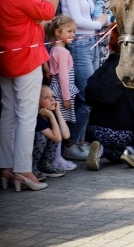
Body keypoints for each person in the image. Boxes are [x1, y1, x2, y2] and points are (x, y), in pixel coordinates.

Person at [0, 0, 69, 192]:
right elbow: (47, 11)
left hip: (2, 59)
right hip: (25, 59)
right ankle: (23, 169)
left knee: (8, 115)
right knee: (24, 116)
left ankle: (6, 168)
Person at [60, 0, 108, 160]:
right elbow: (76, 21)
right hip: (79, 44)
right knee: (86, 95)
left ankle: (79, 141)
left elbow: (95, 15)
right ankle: (71, 143)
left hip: (93, 43)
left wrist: (103, 20)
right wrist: (98, 23)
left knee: (91, 96)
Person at [85, 25, 134, 171]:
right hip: (124, 132)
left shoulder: (102, 69)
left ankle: (101, 149)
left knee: (115, 153)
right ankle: (131, 150)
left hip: (96, 130)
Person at [45, 15, 79, 171]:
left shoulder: (55, 49)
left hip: (56, 89)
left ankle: (55, 158)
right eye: (69, 31)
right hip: (61, 92)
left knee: (58, 124)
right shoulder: (63, 52)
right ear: (58, 33)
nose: (73, 34)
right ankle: (56, 159)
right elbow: (63, 76)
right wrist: (66, 97)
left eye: (74, 31)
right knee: (60, 124)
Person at [32, 85, 70, 180]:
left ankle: (45, 165)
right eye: (46, 97)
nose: (52, 99)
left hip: (51, 116)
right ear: (38, 102)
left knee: (56, 132)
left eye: (53, 96)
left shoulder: (50, 113)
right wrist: (52, 117)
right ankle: (32, 168)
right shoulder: (36, 117)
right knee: (42, 136)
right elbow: (58, 138)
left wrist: (57, 112)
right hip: (30, 158)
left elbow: (66, 135)